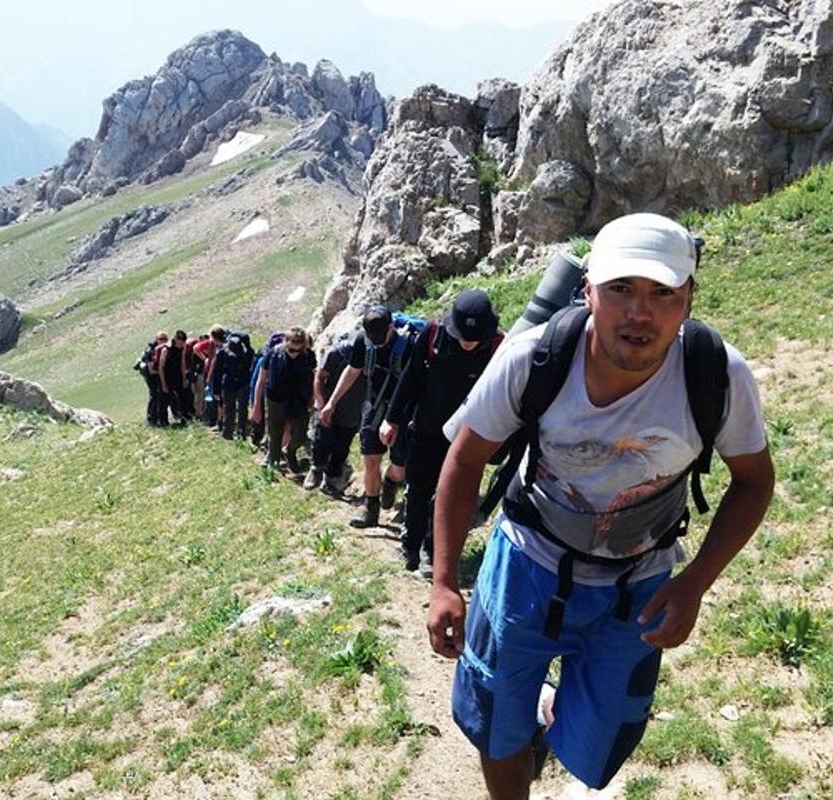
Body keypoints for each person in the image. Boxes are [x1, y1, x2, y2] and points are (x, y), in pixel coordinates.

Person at [427, 213, 775, 798]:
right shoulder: (534, 358)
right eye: (621, 290)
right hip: (527, 565)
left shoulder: (717, 374)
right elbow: (464, 460)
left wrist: (694, 583)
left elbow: (754, 481)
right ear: (588, 291)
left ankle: (543, 721)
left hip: (640, 584)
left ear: (689, 299)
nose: (640, 313)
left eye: (663, 293)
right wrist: (443, 582)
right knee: (495, 724)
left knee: (603, 737)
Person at [382, 290, 502, 576]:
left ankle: (431, 553)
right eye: (463, 336)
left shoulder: (499, 347)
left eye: (474, 338)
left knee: (450, 495)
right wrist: (392, 419)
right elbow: (410, 376)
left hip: (467, 439)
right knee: (418, 489)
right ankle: (410, 545)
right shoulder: (433, 336)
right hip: (426, 428)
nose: (469, 343)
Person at [321, 305, 414, 528]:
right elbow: (352, 371)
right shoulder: (364, 341)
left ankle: (390, 481)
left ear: (391, 327)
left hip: (402, 410)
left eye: (380, 337)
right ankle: (371, 512)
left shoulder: (409, 345)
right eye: (373, 338)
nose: (376, 341)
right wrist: (331, 403)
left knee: (400, 467)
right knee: (371, 459)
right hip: (374, 407)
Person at [304, 330, 367, 496]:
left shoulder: (374, 355)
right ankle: (316, 469)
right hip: (329, 406)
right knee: (321, 440)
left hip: (354, 409)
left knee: (342, 445)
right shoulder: (338, 352)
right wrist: (320, 403)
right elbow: (319, 377)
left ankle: (331, 478)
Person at [252, 326, 316, 472]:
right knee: (275, 433)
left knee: (300, 434)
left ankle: (289, 450)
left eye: (298, 350)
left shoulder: (309, 356)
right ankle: (273, 461)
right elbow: (261, 380)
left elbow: (314, 378)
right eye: (291, 350)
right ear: (285, 343)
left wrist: (313, 398)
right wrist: (257, 406)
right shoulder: (273, 354)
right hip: (275, 399)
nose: (295, 354)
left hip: (299, 400)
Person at [212, 330, 255, 440]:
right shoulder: (248, 352)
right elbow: (217, 372)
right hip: (241, 382)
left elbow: (217, 372)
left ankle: (229, 433)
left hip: (231, 382)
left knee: (231, 409)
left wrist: (216, 390)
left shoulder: (223, 352)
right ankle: (240, 433)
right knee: (240, 409)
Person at [193, 326, 228, 424]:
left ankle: (213, 419)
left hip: (212, 374)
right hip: (216, 374)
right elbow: (195, 348)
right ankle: (214, 419)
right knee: (214, 396)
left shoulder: (216, 346)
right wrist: (204, 358)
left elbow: (213, 362)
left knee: (212, 396)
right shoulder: (218, 345)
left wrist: (204, 360)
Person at [158, 330, 193, 425]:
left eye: (182, 343)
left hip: (178, 376)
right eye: (179, 343)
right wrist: (164, 384)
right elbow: (161, 367)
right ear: (175, 340)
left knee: (183, 397)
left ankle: (185, 418)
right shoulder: (166, 350)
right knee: (164, 400)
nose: (181, 345)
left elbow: (182, 363)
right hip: (167, 377)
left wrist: (184, 378)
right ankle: (163, 422)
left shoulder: (182, 348)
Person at [136, 333, 167, 426]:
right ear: (157, 339)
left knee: (159, 396)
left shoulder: (161, 349)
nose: (163, 341)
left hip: (156, 375)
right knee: (154, 396)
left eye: (165, 339)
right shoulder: (151, 351)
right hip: (151, 376)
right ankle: (151, 419)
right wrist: (162, 372)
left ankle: (157, 418)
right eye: (161, 339)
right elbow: (151, 370)